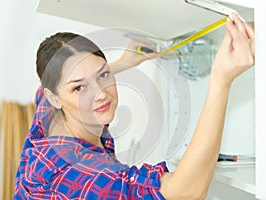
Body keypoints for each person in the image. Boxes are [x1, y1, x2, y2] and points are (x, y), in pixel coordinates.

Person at [14, 13, 254, 199]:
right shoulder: (73, 173)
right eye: (79, 88)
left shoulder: (53, 111)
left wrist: (123, 63)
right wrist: (222, 79)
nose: (100, 95)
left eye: (103, 75)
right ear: (54, 97)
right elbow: (187, 191)